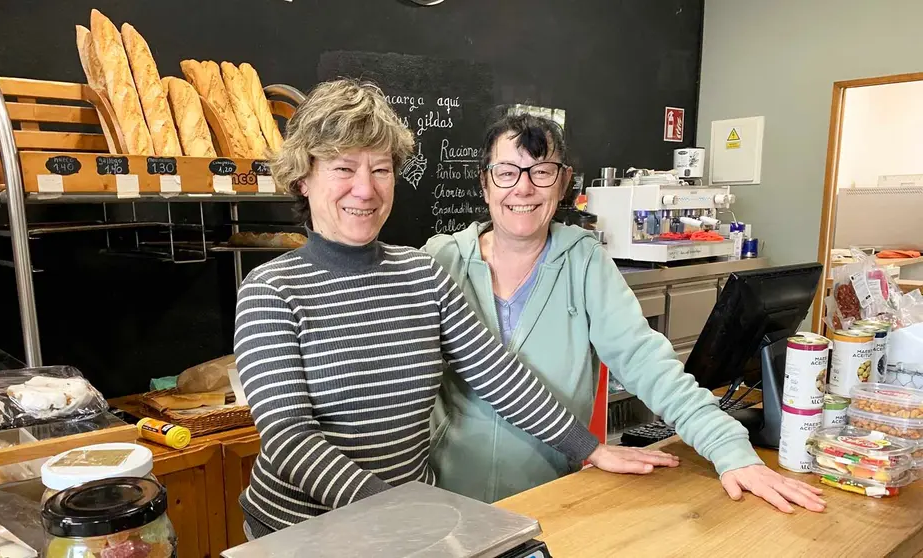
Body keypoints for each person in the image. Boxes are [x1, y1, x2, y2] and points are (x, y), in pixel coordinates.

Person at [233, 80, 679, 539]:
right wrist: (397, 512)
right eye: (344, 168)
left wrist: (591, 449)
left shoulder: (421, 273)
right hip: (303, 531)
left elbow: (497, 374)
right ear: (303, 178)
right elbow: (290, 437)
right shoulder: (271, 290)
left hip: (408, 524)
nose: (365, 189)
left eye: (381, 169)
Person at [423, 113, 826, 514]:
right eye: (507, 172)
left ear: (563, 182)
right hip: (446, 497)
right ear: (485, 183)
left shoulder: (584, 262)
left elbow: (645, 361)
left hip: (548, 495)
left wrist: (730, 450)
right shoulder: (441, 261)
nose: (524, 188)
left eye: (541, 171)